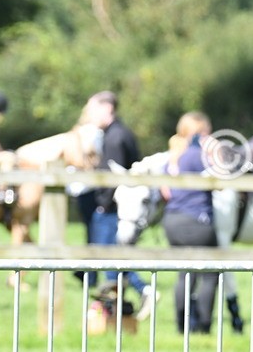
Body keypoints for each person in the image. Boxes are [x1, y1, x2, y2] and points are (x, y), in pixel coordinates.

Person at [85, 90, 153, 311]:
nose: (89, 115)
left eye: (93, 109)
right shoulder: (117, 133)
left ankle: (142, 291)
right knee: (111, 259)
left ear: (107, 109)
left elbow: (117, 177)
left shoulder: (115, 137)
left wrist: (103, 204)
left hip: (112, 209)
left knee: (110, 259)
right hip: (115, 208)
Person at [162, 113, 219, 334]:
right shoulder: (199, 156)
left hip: (172, 221)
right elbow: (221, 181)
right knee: (210, 275)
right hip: (197, 221)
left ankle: (182, 326)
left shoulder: (172, 156)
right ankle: (203, 326)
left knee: (185, 274)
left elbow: (165, 192)